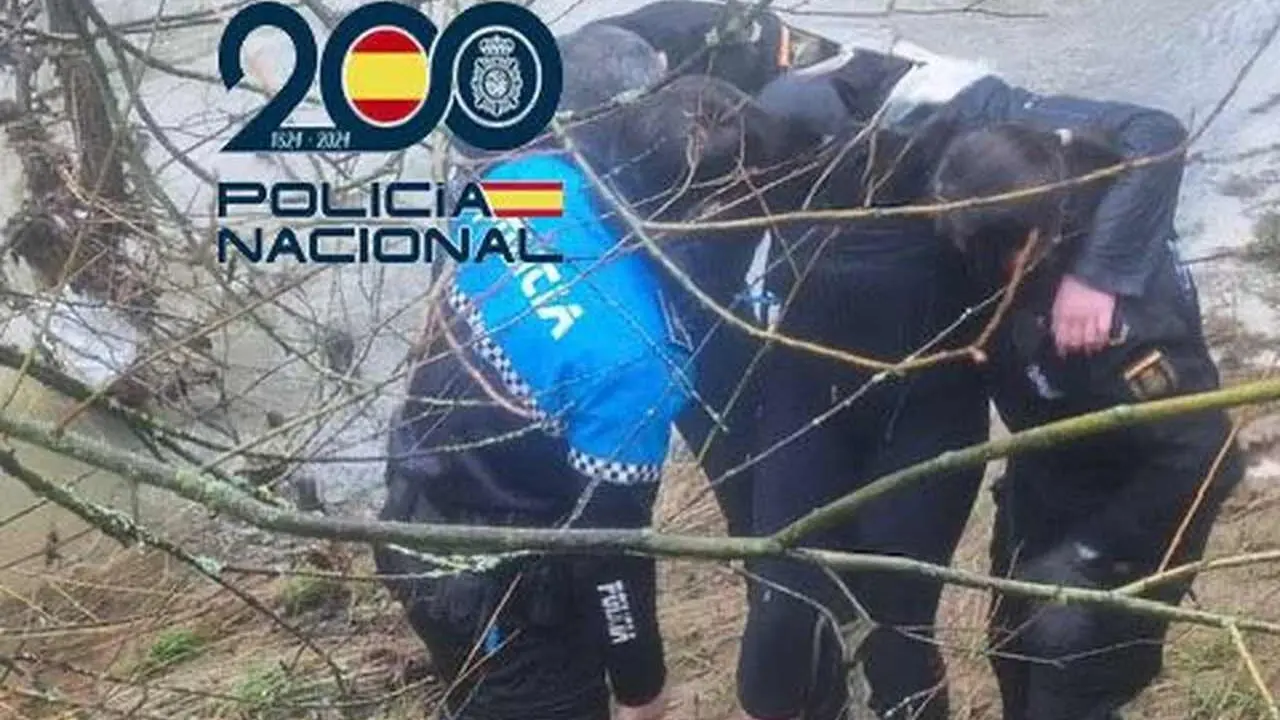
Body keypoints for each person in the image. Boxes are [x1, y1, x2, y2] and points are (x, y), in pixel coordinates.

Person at [373, 23, 809, 720]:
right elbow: (607, 546)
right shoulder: (636, 358)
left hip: (410, 503)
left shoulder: (526, 182)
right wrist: (642, 687)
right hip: (501, 586)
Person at [930, 118, 1245, 719]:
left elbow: (1208, 456)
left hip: (1127, 525)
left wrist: (1093, 553)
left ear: (1030, 238)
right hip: (1044, 483)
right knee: (1014, 655)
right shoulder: (996, 213)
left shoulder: (1126, 324)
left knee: (1072, 683)